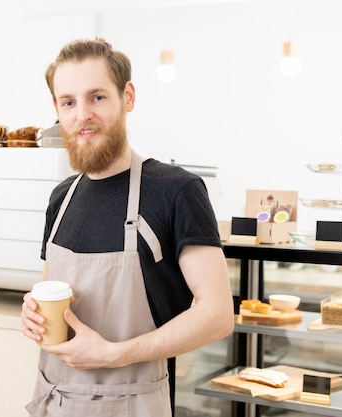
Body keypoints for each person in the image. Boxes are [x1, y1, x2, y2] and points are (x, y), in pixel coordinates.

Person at [20, 38, 234, 416]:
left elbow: (217, 314)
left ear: (128, 97)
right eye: (68, 102)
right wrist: (32, 311)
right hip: (53, 401)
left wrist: (113, 355)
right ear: (57, 109)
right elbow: (49, 287)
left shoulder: (176, 190)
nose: (82, 114)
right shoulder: (61, 198)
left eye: (97, 97)